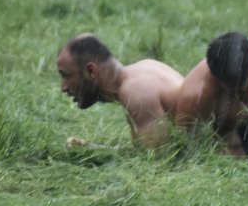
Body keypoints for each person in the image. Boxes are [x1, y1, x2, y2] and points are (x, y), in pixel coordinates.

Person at [56, 33, 184, 148]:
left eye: (66, 76)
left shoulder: (135, 91)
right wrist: (92, 147)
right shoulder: (142, 70)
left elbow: (157, 158)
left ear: (91, 71)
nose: (63, 88)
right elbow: (143, 151)